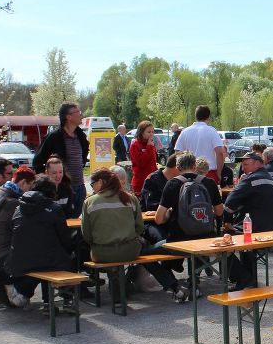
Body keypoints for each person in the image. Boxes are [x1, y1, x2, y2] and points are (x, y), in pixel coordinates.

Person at [82, 168, 178, 298]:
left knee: (141, 253)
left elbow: (86, 235)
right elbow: (139, 228)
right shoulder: (131, 199)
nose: (92, 187)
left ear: (101, 182)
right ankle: (172, 283)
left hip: (101, 254)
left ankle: (124, 287)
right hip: (129, 250)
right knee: (145, 250)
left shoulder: (89, 202)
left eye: (92, 184)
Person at [155, 152, 224, 300]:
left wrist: (170, 213)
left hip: (179, 241)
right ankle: (194, 281)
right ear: (194, 166)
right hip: (206, 238)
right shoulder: (209, 183)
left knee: (149, 252)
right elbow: (219, 212)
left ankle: (174, 285)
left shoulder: (173, 184)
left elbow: (159, 219)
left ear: (178, 167)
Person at [4, 176, 76, 308]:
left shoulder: (19, 208)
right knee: (66, 259)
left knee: (44, 256)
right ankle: (67, 299)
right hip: (48, 261)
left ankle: (45, 302)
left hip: (20, 261)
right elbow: (65, 238)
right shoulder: (54, 208)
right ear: (52, 192)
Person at [223, 152, 273, 290]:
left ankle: (244, 279)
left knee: (220, 244)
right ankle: (249, 280)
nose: (243, 168)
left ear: (258, 163)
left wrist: (226, 221)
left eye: (245, 164)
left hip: (253, 229)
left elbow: (229, 203)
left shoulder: (250, 179)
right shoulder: (272, 180)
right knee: (245, 243)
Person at [0, 167, 36, 305]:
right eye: (30, 186)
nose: (30, 190)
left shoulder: (2, 191)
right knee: (36, 259)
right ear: (23, 183)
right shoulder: (12, 202)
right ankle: (15, 292)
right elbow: (22, 229)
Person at [33, 102, 89, 216]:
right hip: (61, 190)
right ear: (68, 117)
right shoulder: (54, 137)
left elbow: (82, 158)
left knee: (74, 224)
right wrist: (47, 184)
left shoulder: (81, 136)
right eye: (78, 112)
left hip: (79, 188)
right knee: (60, 223)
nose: (81, 115)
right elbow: (37, 162)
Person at [173, 105, 226, 182]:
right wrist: (219, 173)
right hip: (209, 173)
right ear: (208, 117)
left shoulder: (185, 132)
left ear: (196, 116)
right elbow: (220, 152)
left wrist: (181, 171)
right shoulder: (212, 131)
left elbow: (177, 153)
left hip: (188, 174)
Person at [129, 120, 157, 196]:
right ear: (141, 132)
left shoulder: (150, 143)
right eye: (149, 132)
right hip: (140, 182)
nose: (151, 134)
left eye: (152, 132)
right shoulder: (135, 145)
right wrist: (149, 147)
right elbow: (140, 162)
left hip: (152, 180)